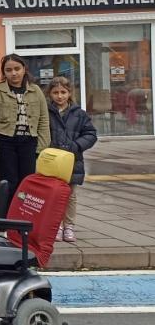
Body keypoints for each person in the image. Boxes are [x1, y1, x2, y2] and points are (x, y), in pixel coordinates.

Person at [0, 53, 51, 198]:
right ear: (4, 72)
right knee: (8, 182)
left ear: (24, 69)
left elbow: (44, 120)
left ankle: (23, 215)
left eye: (17, 68)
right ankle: (4, 215)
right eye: (8, 70)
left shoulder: (36, 90)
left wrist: (42, 147)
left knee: (27, 182)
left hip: (29, 142)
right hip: (5, 142)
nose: (13, 73)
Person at [46, 76, 98, 243]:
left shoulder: (79, 114)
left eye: (63, 92)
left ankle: (69, 225)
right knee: (53, 194)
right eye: (55, 92)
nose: (59, 96)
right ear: (50, 94)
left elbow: (90, 134)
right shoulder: (46, 112)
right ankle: (56, 226)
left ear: (69, 93)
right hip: (51, 161)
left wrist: (76, 146)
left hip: (72, 161)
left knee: (70, 195)